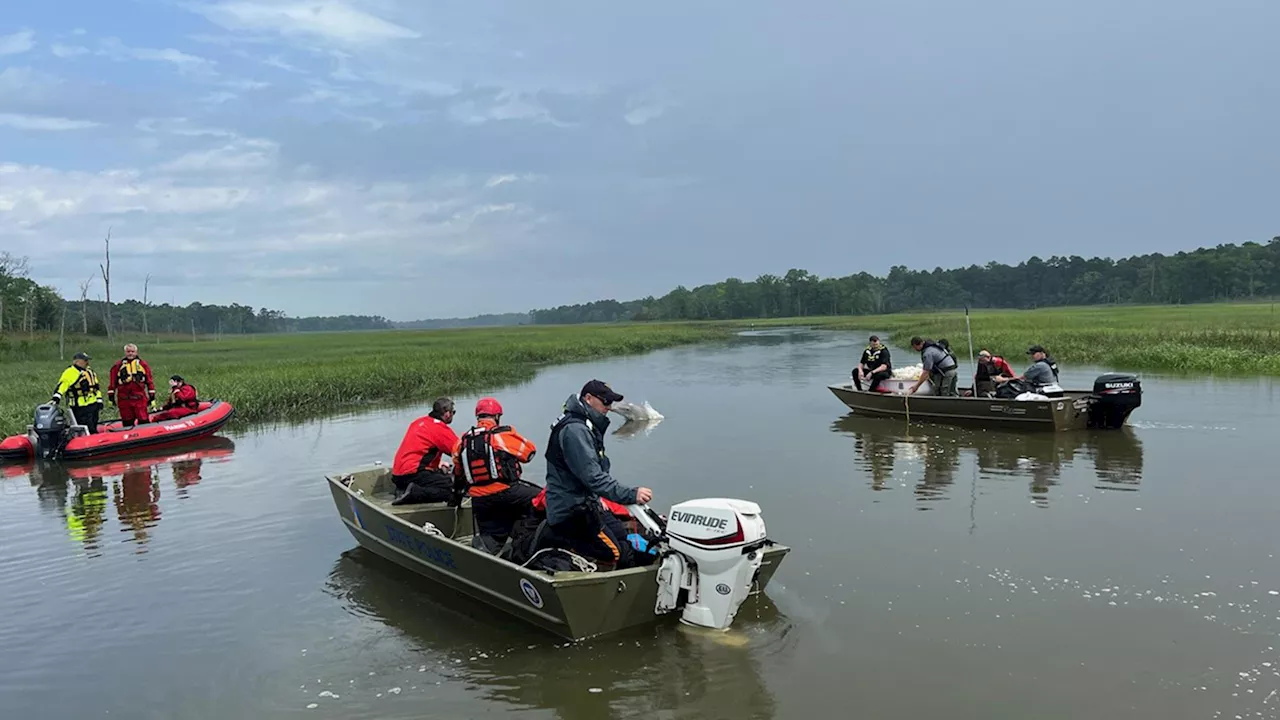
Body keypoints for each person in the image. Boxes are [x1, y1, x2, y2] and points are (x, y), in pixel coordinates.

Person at [540, 380, 654, 570]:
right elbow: (592, 477)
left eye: (611, 403)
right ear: (588, 398)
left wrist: (598, 497)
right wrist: (631, 494)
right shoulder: (575, 430)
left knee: (624, 535)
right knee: (615, 553)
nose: (608, 408)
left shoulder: (585, 425)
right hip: (571, 511)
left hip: (587, 503)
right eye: (605, 402)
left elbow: (594, 474)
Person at [452, 397, 541, 550]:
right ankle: (526, 539)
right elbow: (529, 452)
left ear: (478, 417)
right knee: (542, 500)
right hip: (507, 492)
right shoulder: (502, 436)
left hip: (479, 499)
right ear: (497, 417)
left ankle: (487, 544)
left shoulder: (462, 441)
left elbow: (458, 471)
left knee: (492, 535)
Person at [390, 397, 460, 505]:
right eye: (453, 412)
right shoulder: (439, 429)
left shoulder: (419, 422)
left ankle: (403, 490)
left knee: (440, 477)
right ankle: (415, 493)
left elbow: (419, 451)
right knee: (453, 488)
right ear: (447, 414)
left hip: (398, 474)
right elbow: (460, 452)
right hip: (413, 473)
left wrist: (438, 465)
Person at [51, 351, 103, 433]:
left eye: (87, 360)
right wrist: (57, 397)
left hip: (93, 405)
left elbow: (96, 387)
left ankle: (94, 439)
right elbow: (63, 385)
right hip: (79, 407)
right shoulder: (70, 372)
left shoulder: (90, 372)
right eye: (85, 360)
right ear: (77, 361)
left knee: (93, 425)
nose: (87, 362)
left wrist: (99, 400)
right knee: (86, 427)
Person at [108, 343, 156, 428]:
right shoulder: (118, 366)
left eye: (132, 351)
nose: (130, 353)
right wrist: (111, 398)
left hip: (139, 398)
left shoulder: (143, 365)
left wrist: (152, 397)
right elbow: (112, 383)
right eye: (128, 351)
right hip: (124, 399)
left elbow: (149, 381)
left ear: (136, 352)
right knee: (127, 421)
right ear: (125, 352)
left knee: (143, 419)